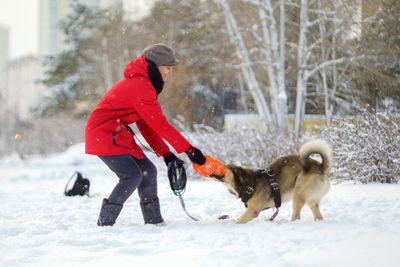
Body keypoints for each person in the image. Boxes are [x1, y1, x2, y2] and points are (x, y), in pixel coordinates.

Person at [85, 43, 206, 226]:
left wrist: (167, 155)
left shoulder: (144, 84)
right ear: (154, 67)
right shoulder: (140, 86)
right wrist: (188, 150)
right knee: (132, 175)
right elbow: (161, 125)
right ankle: (105, 222)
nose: (170, 72)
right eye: (167, 68)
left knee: (148, 171)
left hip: (117, 132)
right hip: (104, 132)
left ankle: (154, 221)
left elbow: (148, 125)